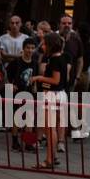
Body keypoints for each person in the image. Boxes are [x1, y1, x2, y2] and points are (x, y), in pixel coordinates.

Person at [33, 32, 69, 168]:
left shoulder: (54, 60)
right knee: (51, 127)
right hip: (59, 94)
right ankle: (52, 156)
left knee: (50, 128)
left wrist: (38, 78)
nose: (42, 46)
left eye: (44, 43)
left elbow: (55, 80)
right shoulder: (62, 57)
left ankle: (49, 159)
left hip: (53, 95)